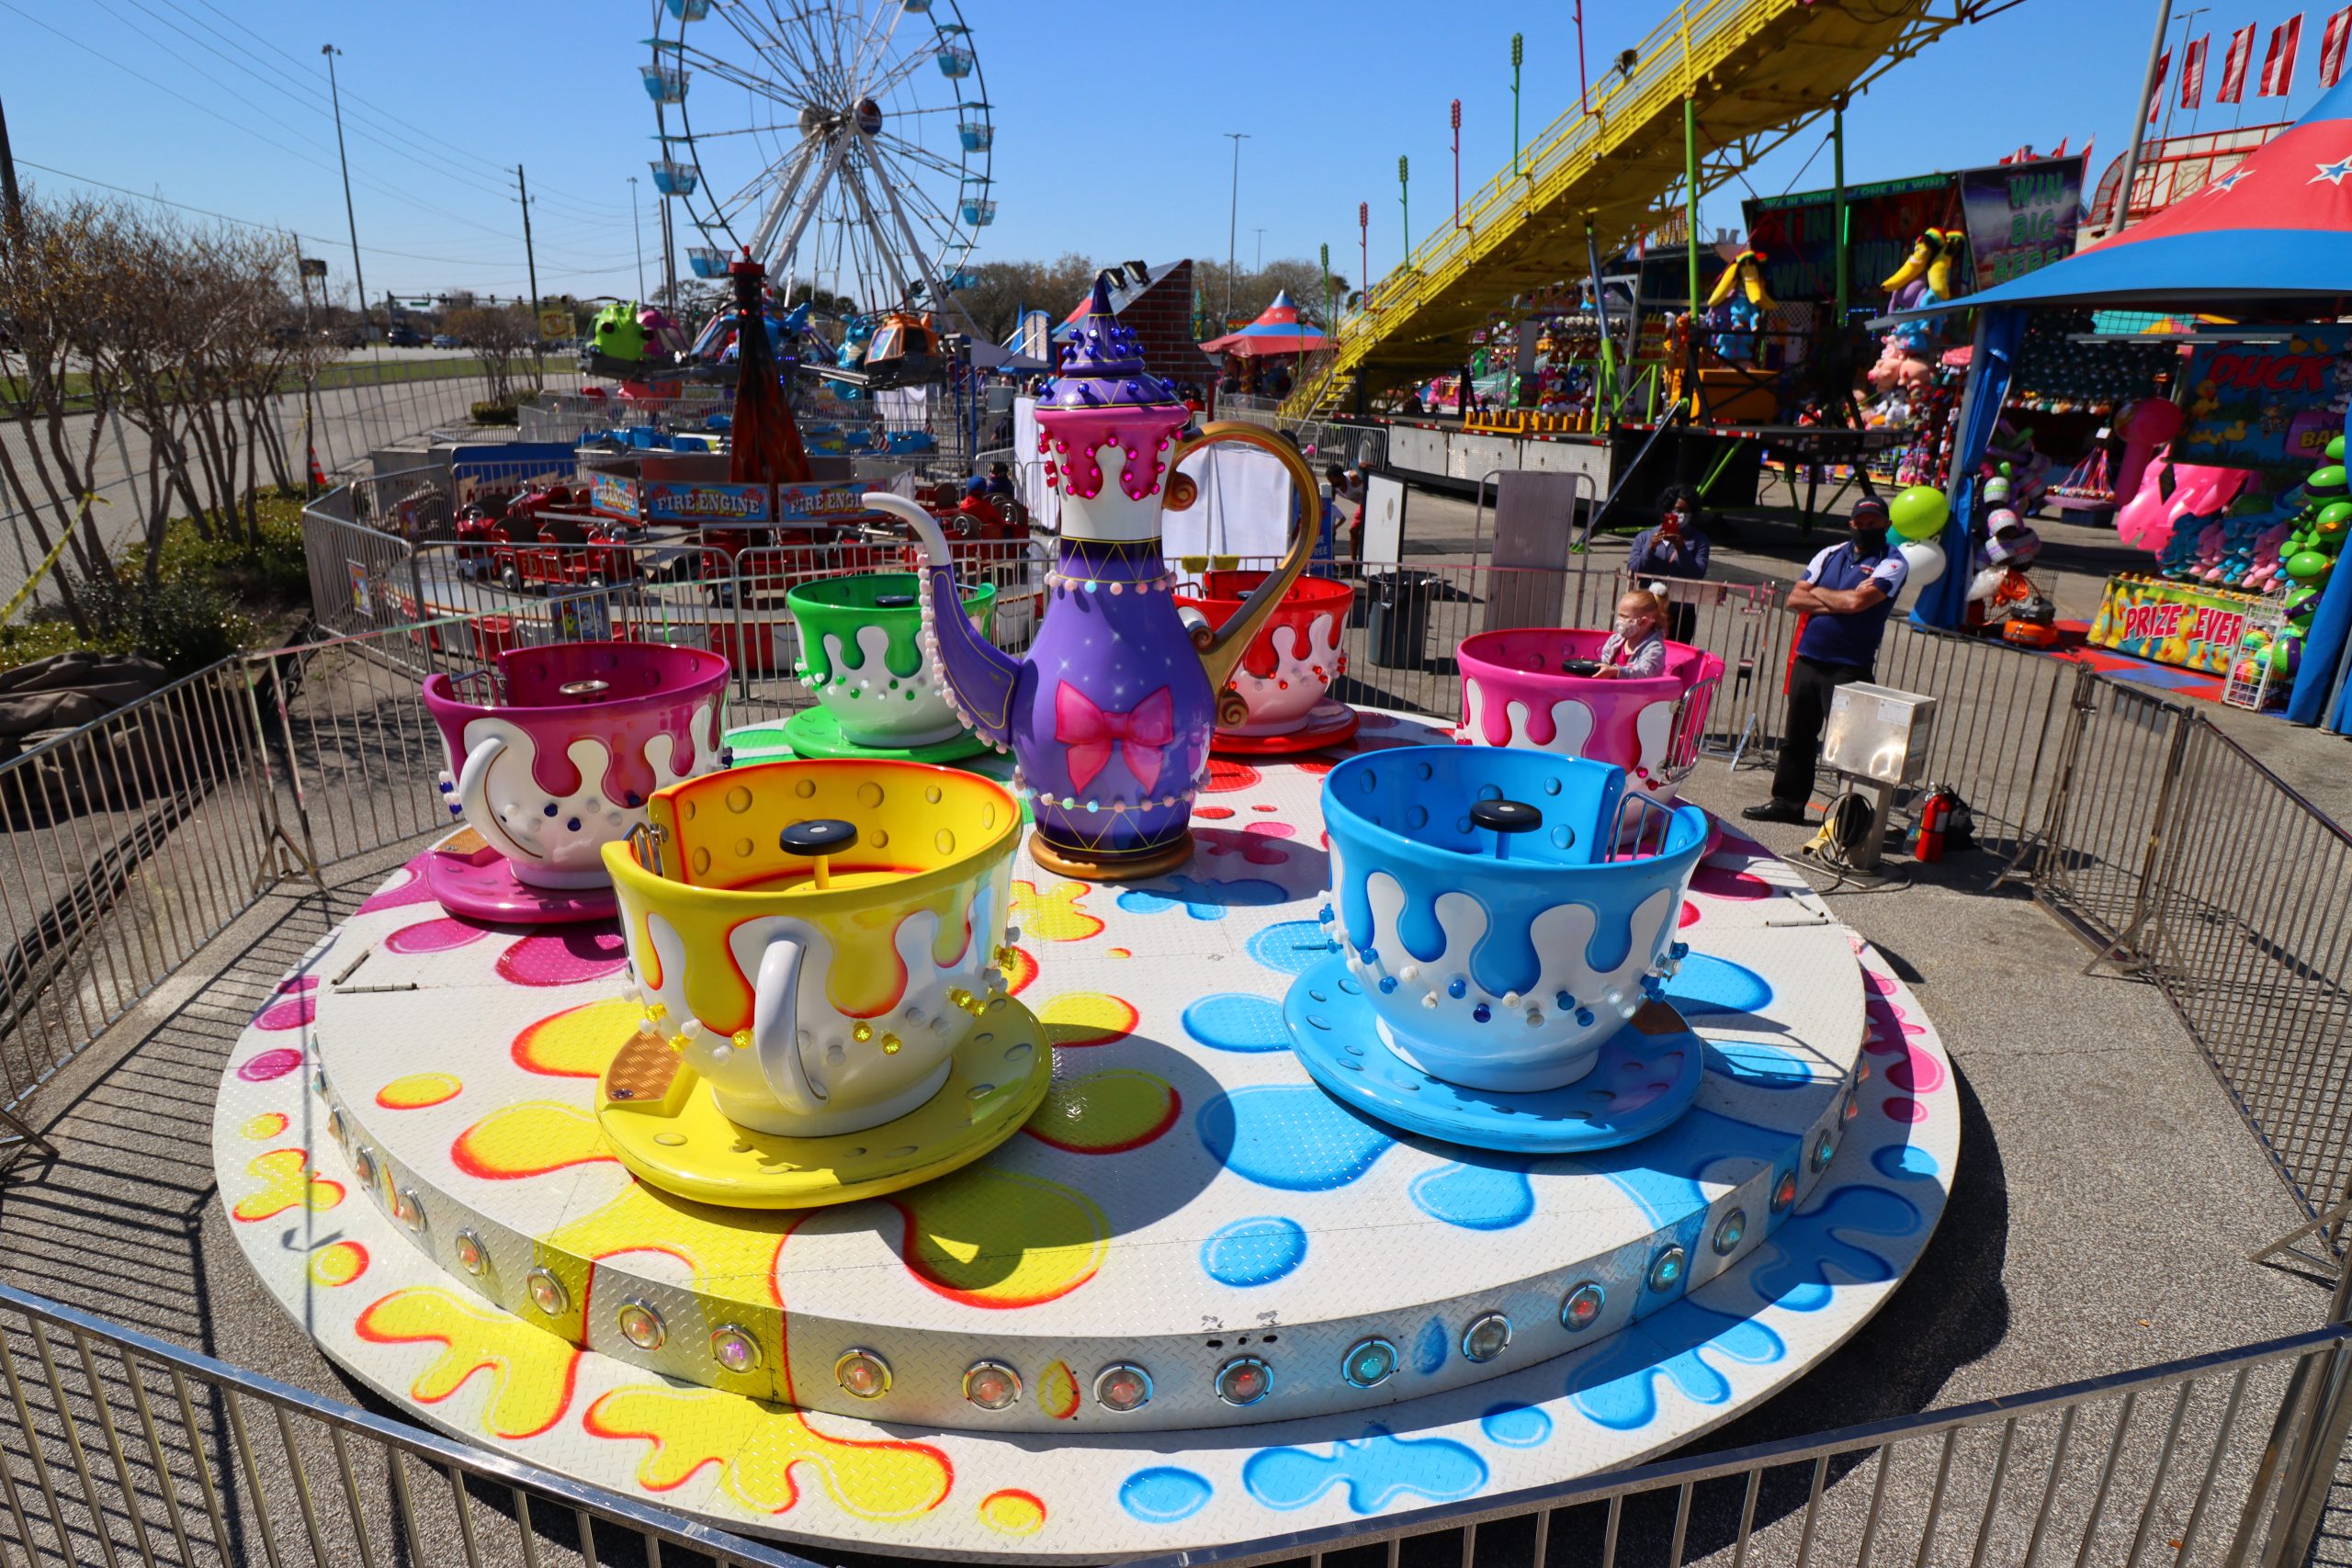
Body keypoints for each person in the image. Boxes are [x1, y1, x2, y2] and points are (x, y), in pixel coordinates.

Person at [1742, 495, 1910, 825]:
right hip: (1809, 658)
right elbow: (1794, 598)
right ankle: (1787, 803)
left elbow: (1858, 603)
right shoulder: (1829, 554)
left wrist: (1819, 595)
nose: (1866, 528)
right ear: (1851, 524)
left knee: (1852, 745)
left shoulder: (1893, 561)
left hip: (1849, 664)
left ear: (1887, 525)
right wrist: (1838, 598)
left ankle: (1852, 816)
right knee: (1797, 738)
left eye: (1874, 523)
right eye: (1860, 523)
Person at [1625, 484, 1712, 643]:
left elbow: (1697, 574)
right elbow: (1633, 570)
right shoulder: (1645, 537)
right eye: (1676, 510)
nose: (1679, 515)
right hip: (1647, 610)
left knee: (1677, 657)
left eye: (1685, 511)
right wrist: (1650, 548)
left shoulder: (1700, 541)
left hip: (1680, 613)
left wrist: (1681, 548)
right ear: (1666, 510)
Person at [1591, 589, 1668, 679]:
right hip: (1612, 690)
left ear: (1643, 622)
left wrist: (1616, 671)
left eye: (1625, 616)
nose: (1619, 620)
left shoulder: (1654, 648)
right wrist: (1591, 667)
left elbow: (1644, 673)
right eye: (1619, 615)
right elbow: (1604, 663)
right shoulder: (1615, 640)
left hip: (1640, 692)